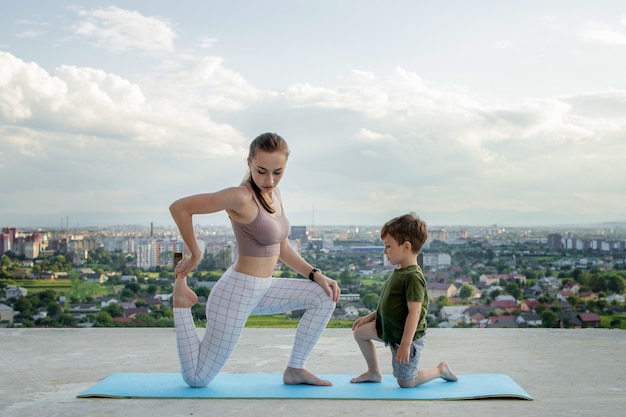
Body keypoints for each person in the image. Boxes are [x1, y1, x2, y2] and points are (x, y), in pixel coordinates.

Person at [170, 132, 340, 388]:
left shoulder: (275, 194)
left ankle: (295, 369)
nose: (269, 179)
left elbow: (281, 247)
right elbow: (180, 207)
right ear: (249, 163)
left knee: (325, 295)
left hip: (264, 289)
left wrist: (315, 274)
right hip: (236, 293)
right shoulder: (241, 196)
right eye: (261, 171)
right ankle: (181, 304)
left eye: (277, 172)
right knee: (197, 379)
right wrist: (195, 253)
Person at [350, 213, 458, 388]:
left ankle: (440, 370)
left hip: (407, 336)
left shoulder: (413, 277)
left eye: (388, 246)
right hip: (389, 328)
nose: (385, 251)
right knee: (360, 333)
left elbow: (414, 314)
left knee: (406, 382)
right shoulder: (400, 272)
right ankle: (374, 372)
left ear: (406, 247)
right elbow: (391, 306)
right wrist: (369, 318)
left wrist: (405, 345)